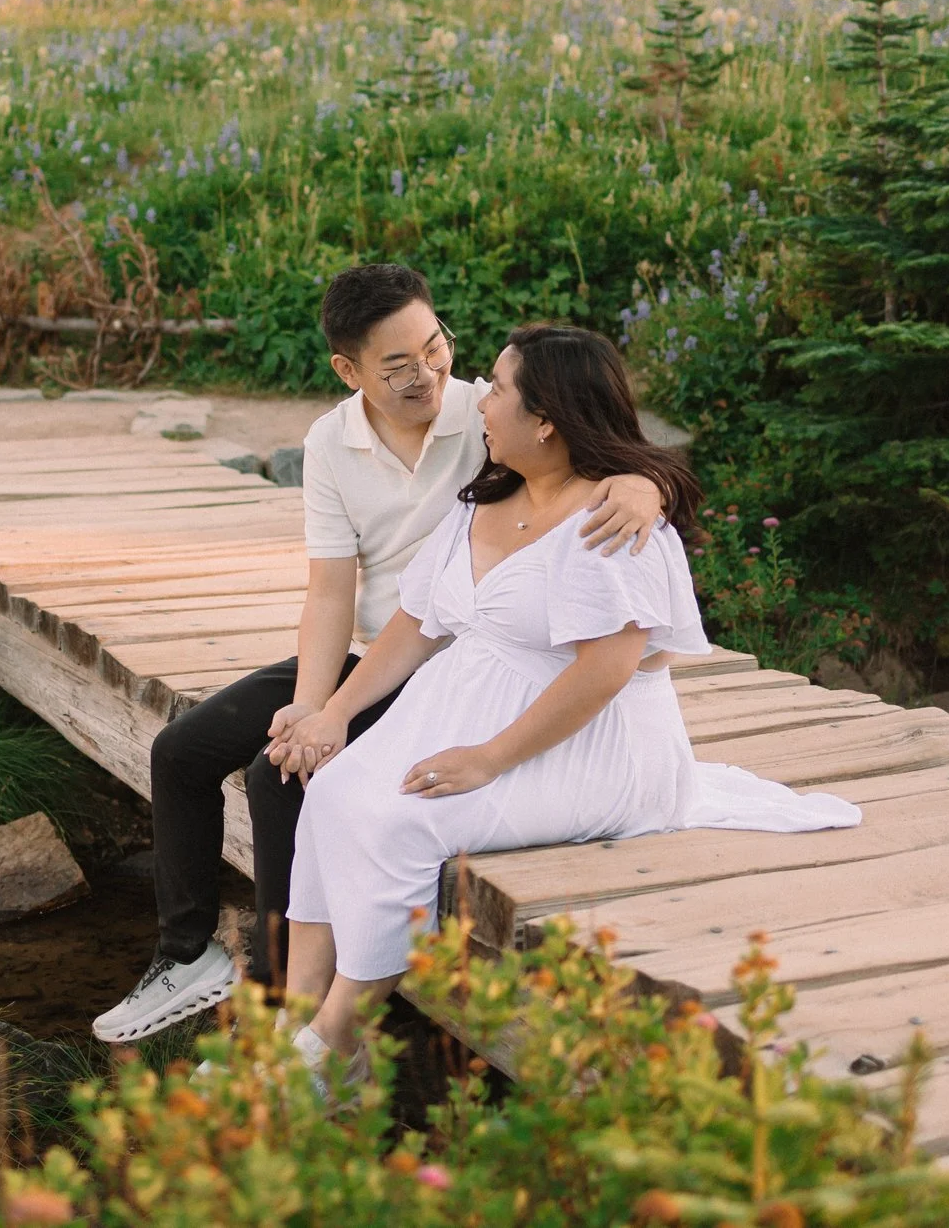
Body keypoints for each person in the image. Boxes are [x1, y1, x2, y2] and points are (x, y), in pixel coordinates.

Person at [91, 268, 666, 1044]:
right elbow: (332, 588)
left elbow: (592, 440)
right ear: (349, 370)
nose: (426, 374)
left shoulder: (492, 412)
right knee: (183, 749)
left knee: (280, 776)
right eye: (398, 365)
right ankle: (186, 955)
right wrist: (318, 703)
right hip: (384, 649)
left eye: (436, 348)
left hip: (466, 666)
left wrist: (645, 483)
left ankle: (283, 997)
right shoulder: (333, 440)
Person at [270, 325, 862, 1075]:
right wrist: (336, 711)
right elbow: (416, 625)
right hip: (461, 710)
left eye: (501, 387)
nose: (481, 397)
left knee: (398, 822)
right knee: (335, 793)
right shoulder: (486, 496)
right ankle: (288, 1023)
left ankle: (332, 1050)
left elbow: (605, 671)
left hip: (588, 747)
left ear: (546, 419)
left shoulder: (610, 521)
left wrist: (488, 759)